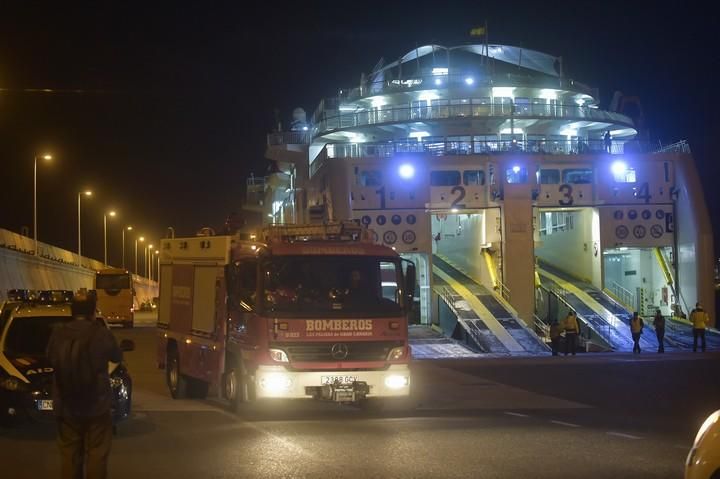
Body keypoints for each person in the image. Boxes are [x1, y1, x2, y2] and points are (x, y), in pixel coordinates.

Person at [47, 289, 122, 479]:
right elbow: (116, 356)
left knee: (69, 456)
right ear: (92, 311)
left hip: (66, 406)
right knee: (97, 454)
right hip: (97, 405)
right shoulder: (101, 333)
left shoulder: (58, 333)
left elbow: (50, 358)